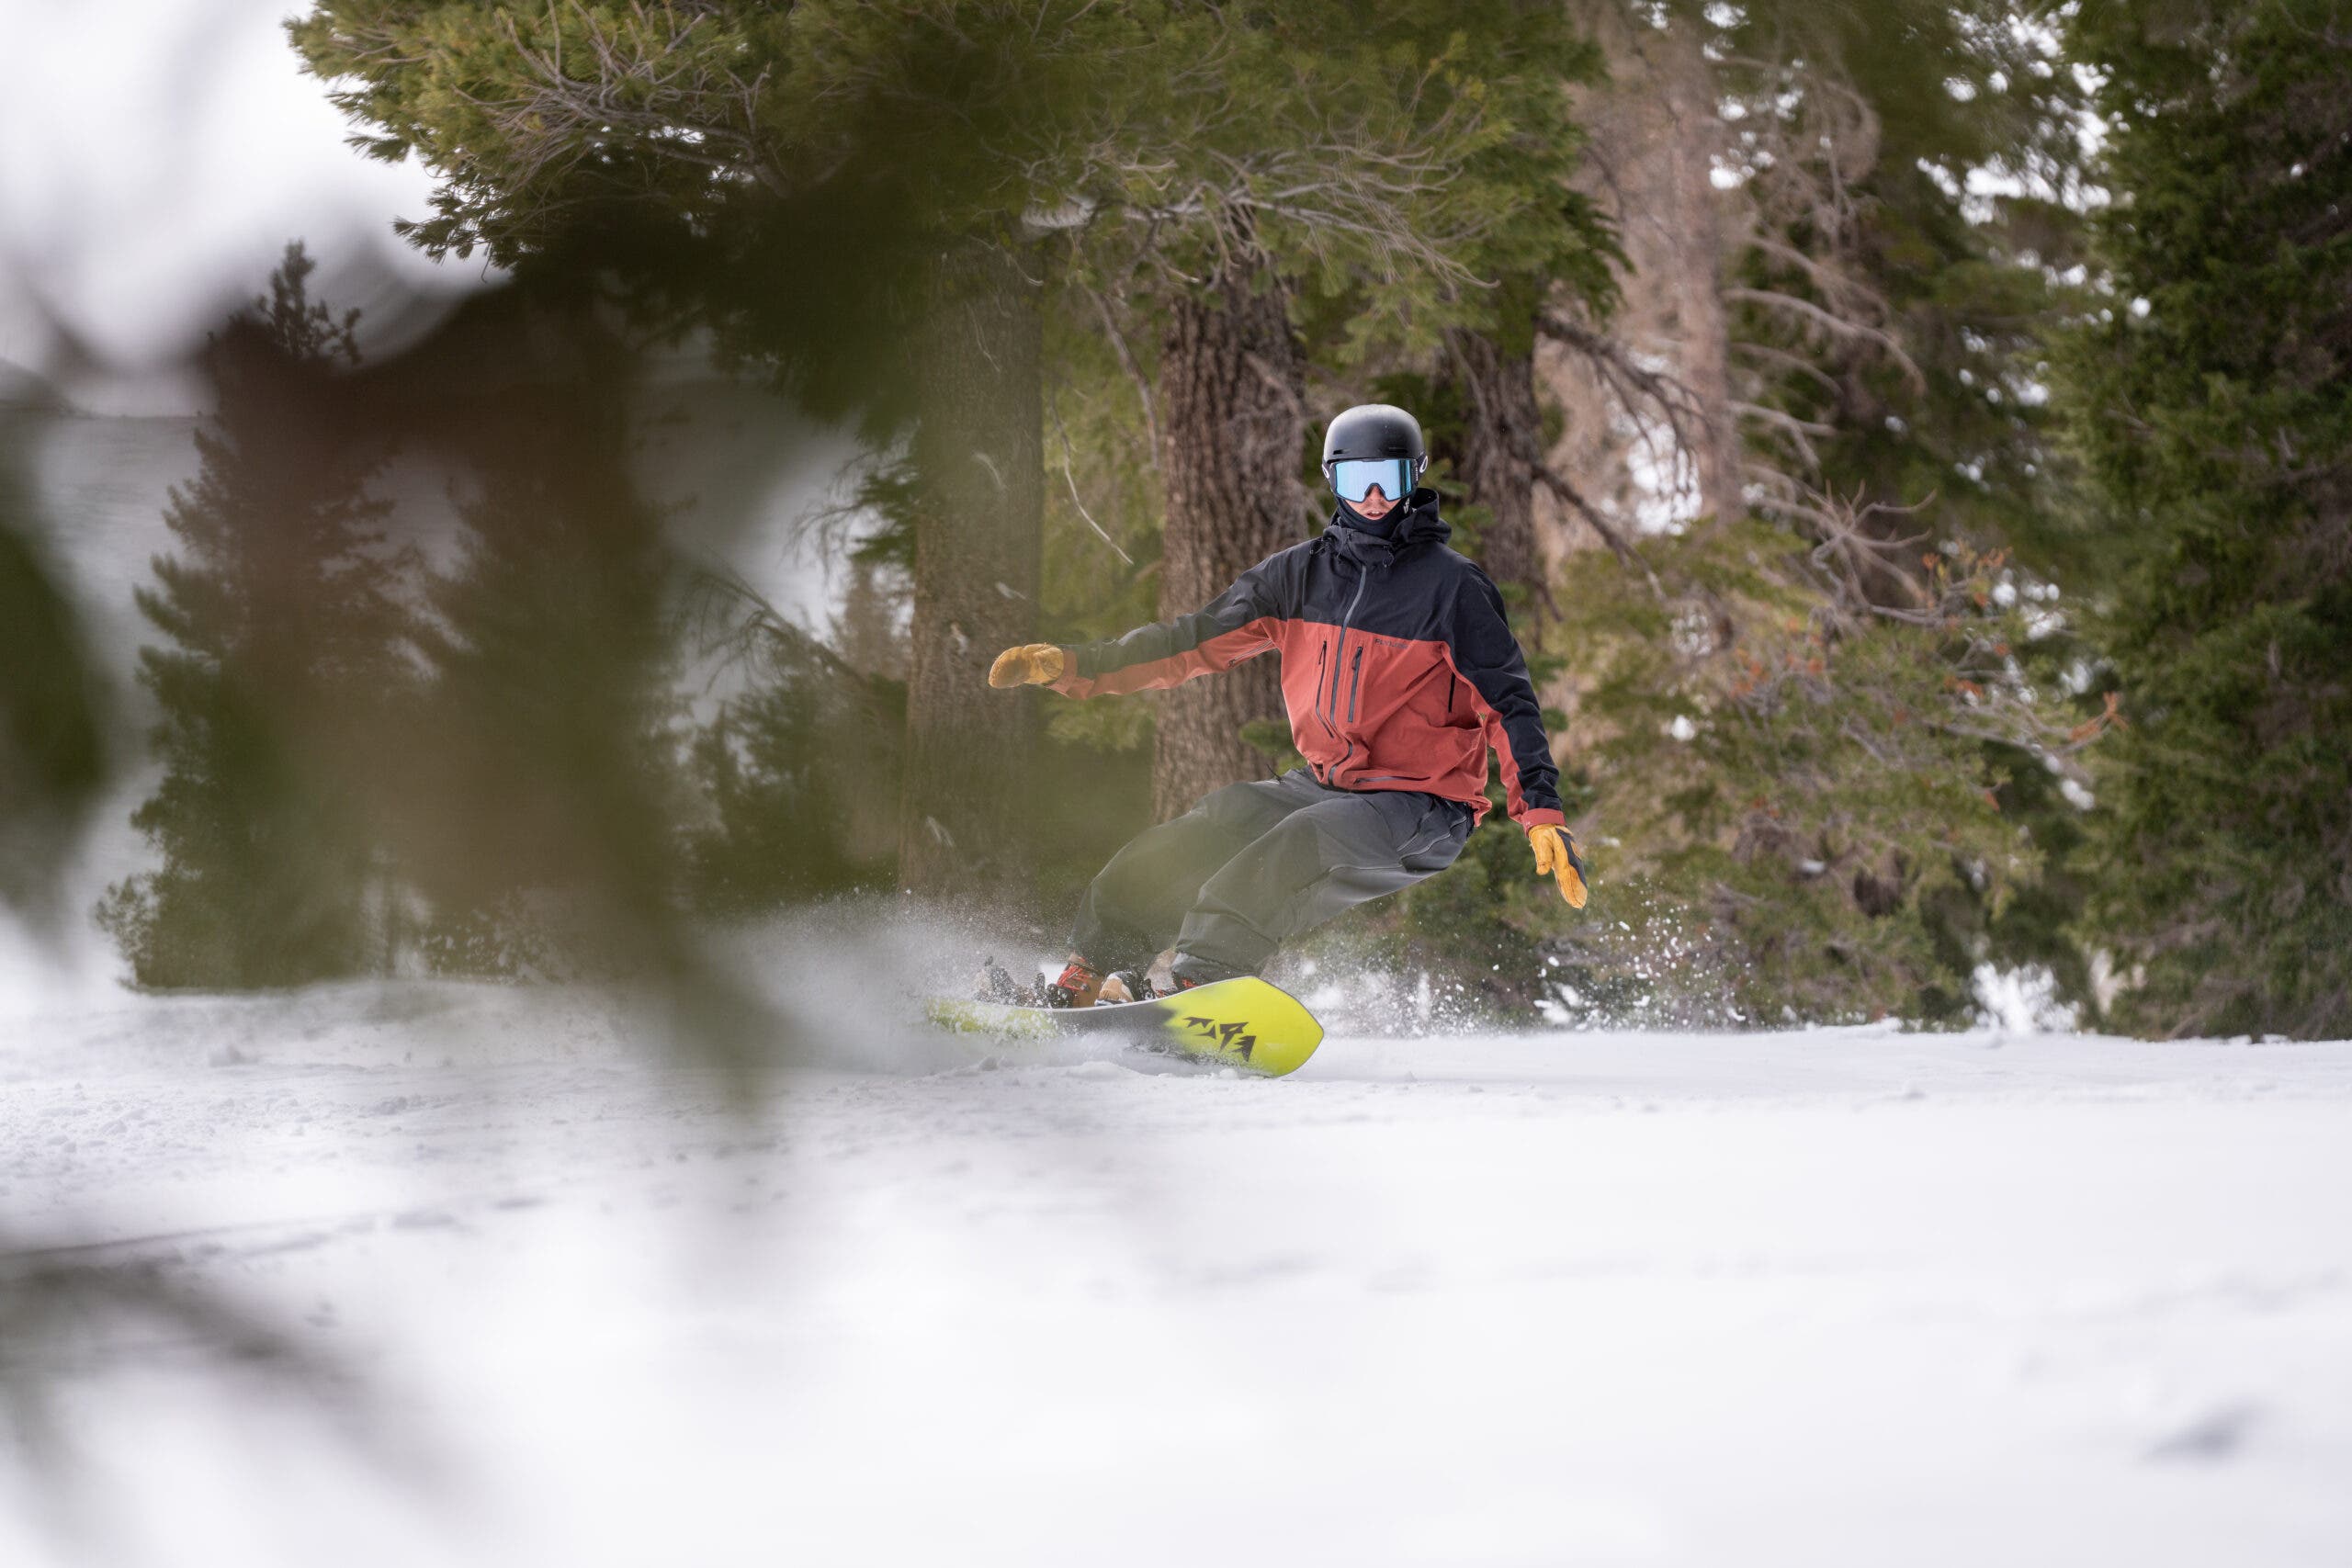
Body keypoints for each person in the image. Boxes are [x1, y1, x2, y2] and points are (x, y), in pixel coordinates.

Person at [989, 403, 1586, 1007]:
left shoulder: (1453, 588)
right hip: (1325, 783)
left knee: (1301, 840)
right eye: (1359, 480)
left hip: (1424, 805)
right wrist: (1075, 665)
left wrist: (1540, 813)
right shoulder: (1299, 576)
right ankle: (1087, 976)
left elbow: (1509, 704)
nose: (1376, 497)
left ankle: (1197, 979)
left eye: (1392, 479)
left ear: (1415, 479)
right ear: (1334, 480)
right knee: (1210, 825)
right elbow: (1191, 640)